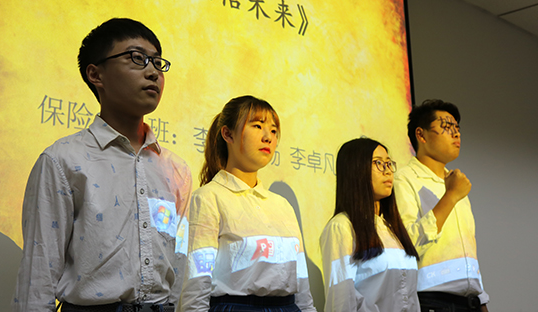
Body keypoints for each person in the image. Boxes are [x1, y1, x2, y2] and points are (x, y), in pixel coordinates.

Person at [12, 18, 192, 312]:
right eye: (137, 58)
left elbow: (180, 262)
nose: (152, 72)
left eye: (157, 63)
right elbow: (38, 273)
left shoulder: (176, 169)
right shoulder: (63, 160)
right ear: (96, 74)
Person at [177, 96, 315, 312]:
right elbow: (196, 283)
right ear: (228, 134)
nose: (268, 137)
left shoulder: (282, 205)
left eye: (273, 131)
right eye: (258, 126)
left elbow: (302, 284)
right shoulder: (209, 197)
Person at [394, 99, 489, 311]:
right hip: (432, 301)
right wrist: (451, 196)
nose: (456, 134)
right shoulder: (404, 180)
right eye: (447, 126)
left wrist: (481, 299)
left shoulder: (456, 182)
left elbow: (467, 251)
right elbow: (407, 244)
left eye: (457, 128)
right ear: (421, 135)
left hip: (470, 302)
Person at [320, 138, 420, 312]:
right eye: (378, 163)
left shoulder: (391, 228)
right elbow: (341, 301)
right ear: (356, 169)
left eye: (389, 164)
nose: (387, 171)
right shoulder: (342, 227)